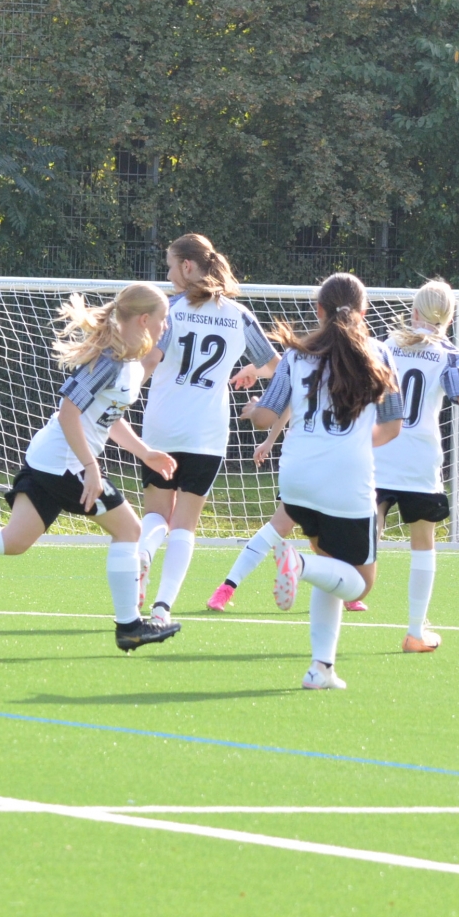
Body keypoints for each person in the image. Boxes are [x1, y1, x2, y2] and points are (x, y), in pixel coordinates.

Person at [0, 282, 185, 653]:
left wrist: (145, 453)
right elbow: (68, 414)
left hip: (49, 460)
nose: (164, 326)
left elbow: (107, 418)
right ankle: (129, 627)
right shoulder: (110, 362)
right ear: (143, 320)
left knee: (14, 540)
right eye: (162, 319)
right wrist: (91, 467)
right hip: (64, 464)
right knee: (129, 529)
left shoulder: (126, 361)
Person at [244, 273, 403, 690]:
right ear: (364, 312)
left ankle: (321, 667)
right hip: (346, 483)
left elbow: (266, 416)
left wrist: (253, 408)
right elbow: (392, 426)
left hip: (297, 481)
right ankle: (297, 564)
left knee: (330, 570)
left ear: (318, 310)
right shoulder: (379, 353)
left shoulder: (296, 355)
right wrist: (352, 443)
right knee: (359, 585)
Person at [133, 234, 278, 625]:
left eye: (170, 266)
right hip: (207, 432)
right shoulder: (239, 315)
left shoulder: (169, 310)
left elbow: (150, 361)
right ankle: (162, 608)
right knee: (185, 524)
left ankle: (143, 552)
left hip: (162, 425)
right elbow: (276, 367)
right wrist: (253, 370)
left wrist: (123, 393)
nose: (168, 275)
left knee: (157, 514)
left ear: (187, 266)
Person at [371, 279, 459, 652]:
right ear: (449, 319)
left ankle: (328, 574)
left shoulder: (387, 345)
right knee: (423, 543)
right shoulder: (448, 354)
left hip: (380, 451)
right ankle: (415, 632)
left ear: (413, 312)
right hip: (420, 460)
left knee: (368, 533)